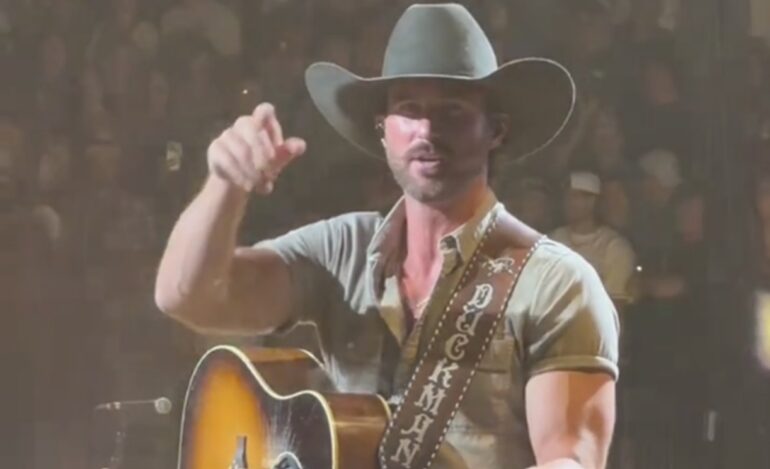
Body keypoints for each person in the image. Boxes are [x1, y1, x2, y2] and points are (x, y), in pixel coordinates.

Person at [155, 4, 619, 469]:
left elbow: (572, 456)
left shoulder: (557, 285)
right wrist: (225, 184)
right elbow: (188, 297)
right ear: (382, 129)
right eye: (408, 109)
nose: (427, 130)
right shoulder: (342, 250)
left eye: (452, 111)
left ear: (495, 129)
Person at [550, 171, 636, 305]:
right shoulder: (553, 240)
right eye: (566, 197)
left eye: (574, 197)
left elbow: (616, 304)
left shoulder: (615, 247)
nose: (568, 203)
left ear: (591, 202)